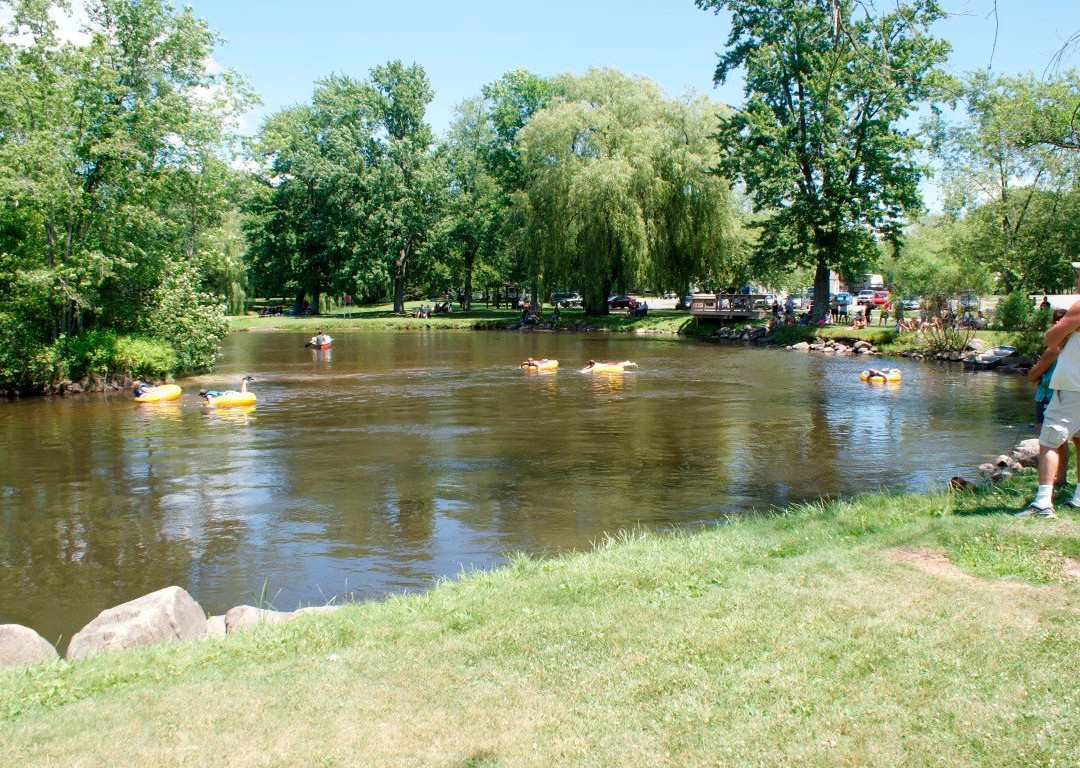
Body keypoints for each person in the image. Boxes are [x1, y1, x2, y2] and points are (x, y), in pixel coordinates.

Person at [1021, 263, 1080, 518]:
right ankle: (1078, 499)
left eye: (1079, 274)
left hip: (1072, 387)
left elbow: (1050, 339)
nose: (1077, 278)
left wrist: (1061, 331)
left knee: (1049, 443)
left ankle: (1043, 504)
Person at [1028, 309, 1073, 488]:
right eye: (1055, 320)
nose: (1056, 324)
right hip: (1067, 395)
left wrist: (1034, 371)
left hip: (1048, 395)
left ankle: (1056, 481)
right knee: (1068, 439)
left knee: (1051, 440)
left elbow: (1033, 375)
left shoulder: (1053, 349)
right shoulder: (1073, 347)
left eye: (1059, 321)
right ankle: (1063, 480)